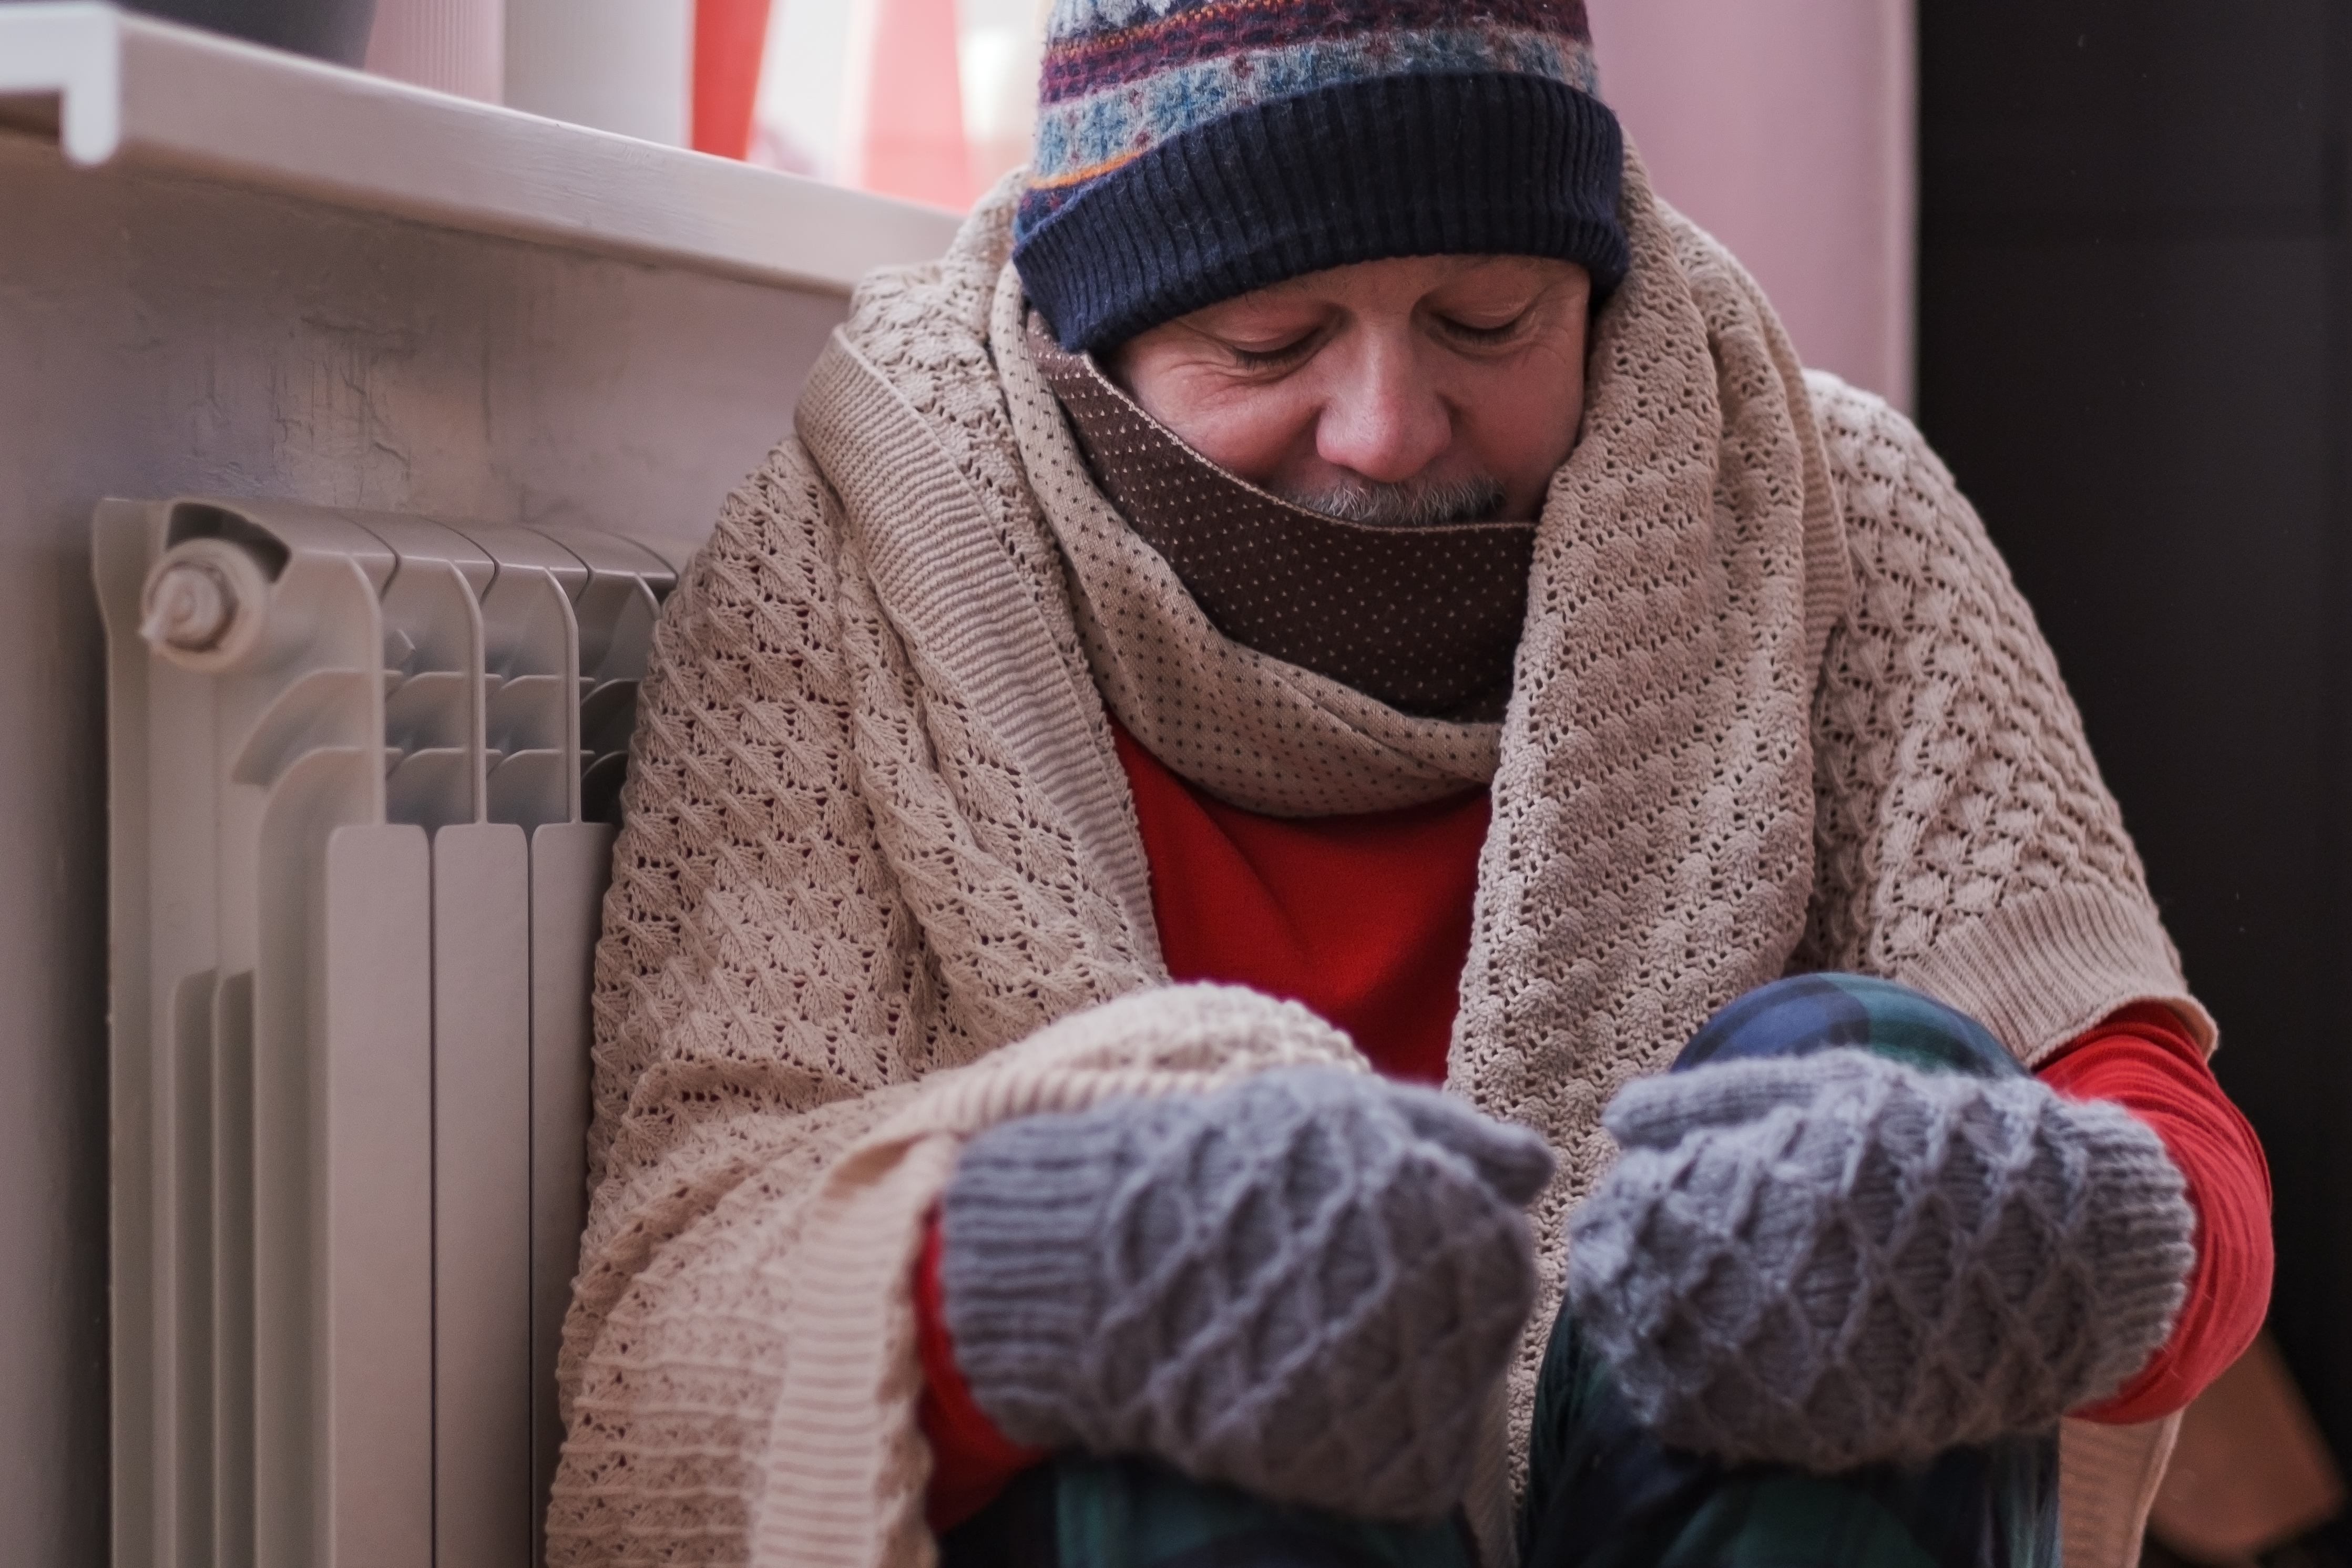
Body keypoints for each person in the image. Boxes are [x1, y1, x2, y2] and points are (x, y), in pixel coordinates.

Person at [544, 5, 2272, 1566]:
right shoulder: (845, 568)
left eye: (1485, 319)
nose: (1385, 428)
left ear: (1597, 289)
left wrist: (2046, 1239)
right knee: (1156, 1236)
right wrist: (1052, 1277)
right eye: (1269, 337)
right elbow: (672, 1304)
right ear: (1100, 347)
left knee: (1868, 1086)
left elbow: (2165, 1138)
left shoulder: (1829, 506)